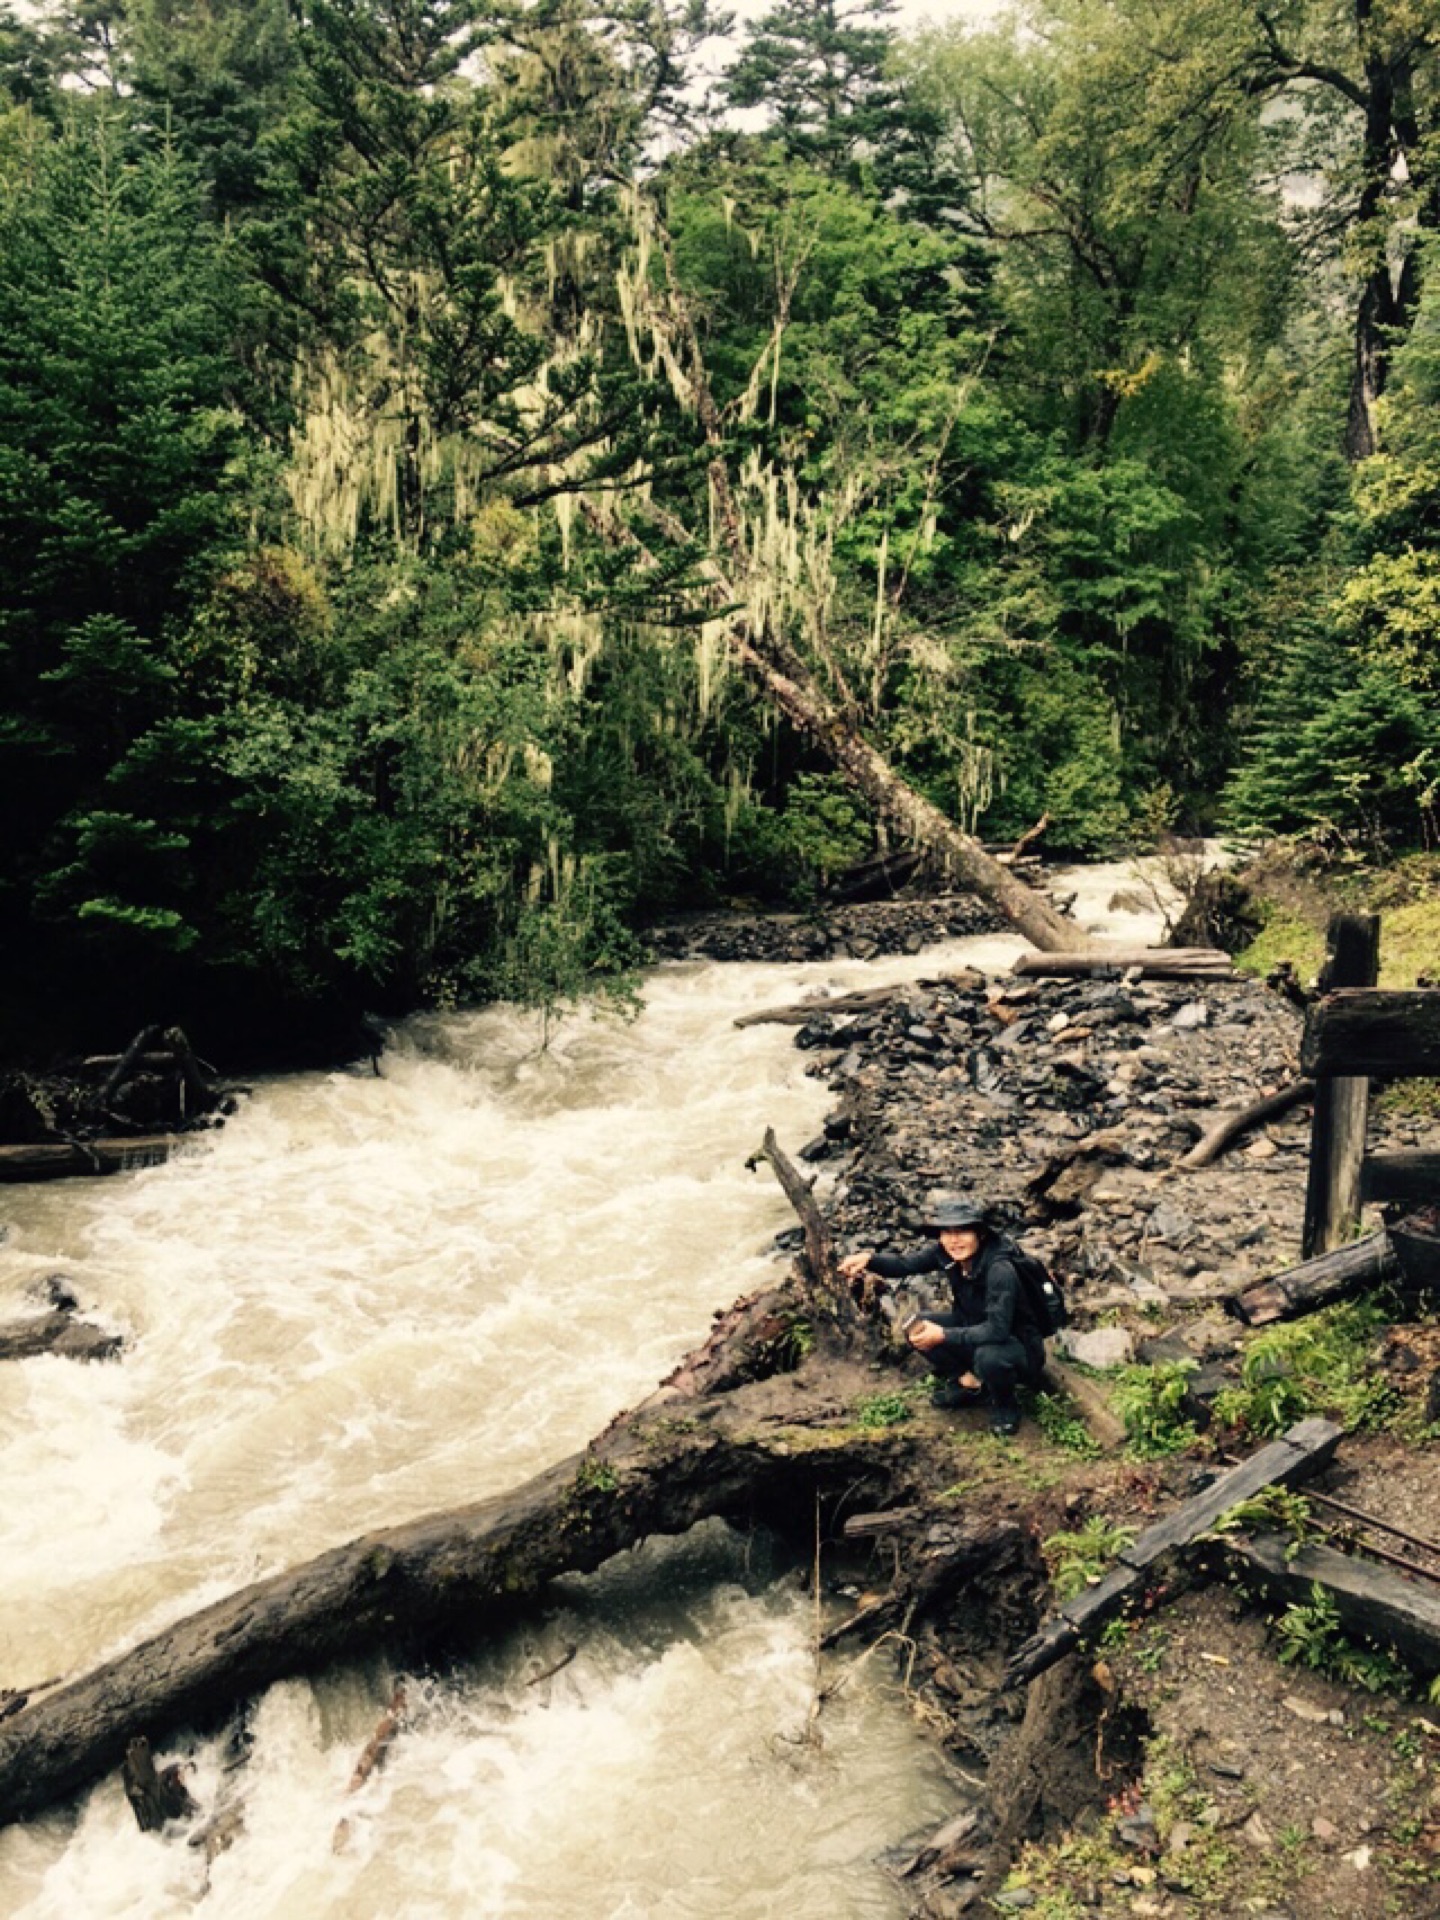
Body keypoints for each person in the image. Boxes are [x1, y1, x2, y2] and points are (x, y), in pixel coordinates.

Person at [838, 1198, 1045, 1435]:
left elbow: (997, 1330)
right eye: (947, 1232)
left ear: (980, 1233)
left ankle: (1006, 1405)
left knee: (989, 1356)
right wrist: (869, 1259)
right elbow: (905, 1264)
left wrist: (944, 1335)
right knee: (915, 1326)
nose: (954, 1240)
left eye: (963, 1231)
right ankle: (972, 1383)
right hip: (973, 1328)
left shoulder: (1000, 1269)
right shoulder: (945, 1253)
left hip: (1017, 1347)